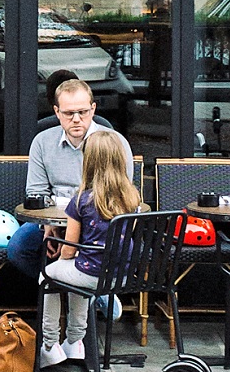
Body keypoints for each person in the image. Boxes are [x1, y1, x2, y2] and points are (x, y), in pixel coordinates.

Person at [7, 79, 134, 282]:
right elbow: (36, 194)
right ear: (57, 112)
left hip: (100, 221)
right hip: (54, 220)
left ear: (93, 109)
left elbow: (122, 194)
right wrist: (49, 226)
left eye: (82, 112)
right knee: (18, 248)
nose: (76, 119)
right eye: (68, 113)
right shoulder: (42, 142)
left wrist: (77, 227)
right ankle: (64, 287)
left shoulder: (114, 142)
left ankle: (91, 289)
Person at [38, 131, 142, 367]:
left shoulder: (82, 200)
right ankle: (74, 341)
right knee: (77, 277)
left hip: (91, 273)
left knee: (47, 277)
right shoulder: (133, 197)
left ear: (89, 161)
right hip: (121, 276)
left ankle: (50, 344)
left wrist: (59, 249)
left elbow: (69, 250)